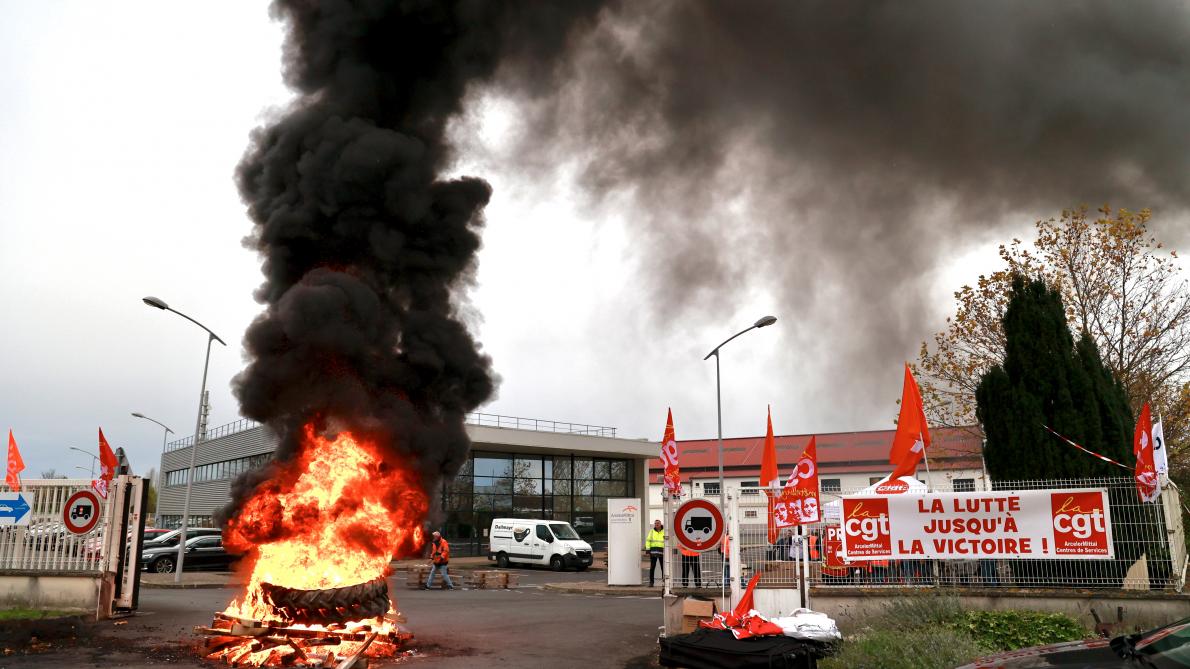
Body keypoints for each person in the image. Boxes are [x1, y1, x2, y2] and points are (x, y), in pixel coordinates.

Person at [644, 519, 665, 587]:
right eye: (655, 523)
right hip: (653, 552)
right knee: (652, 567)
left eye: (658, 523)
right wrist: (647, 550)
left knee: (663, 568)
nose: (656, 524)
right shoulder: (652, 531)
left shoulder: (664, 531)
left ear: (660, 524)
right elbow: (648, 541)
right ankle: (651, 582)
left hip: (662, 551)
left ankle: (664, 583)